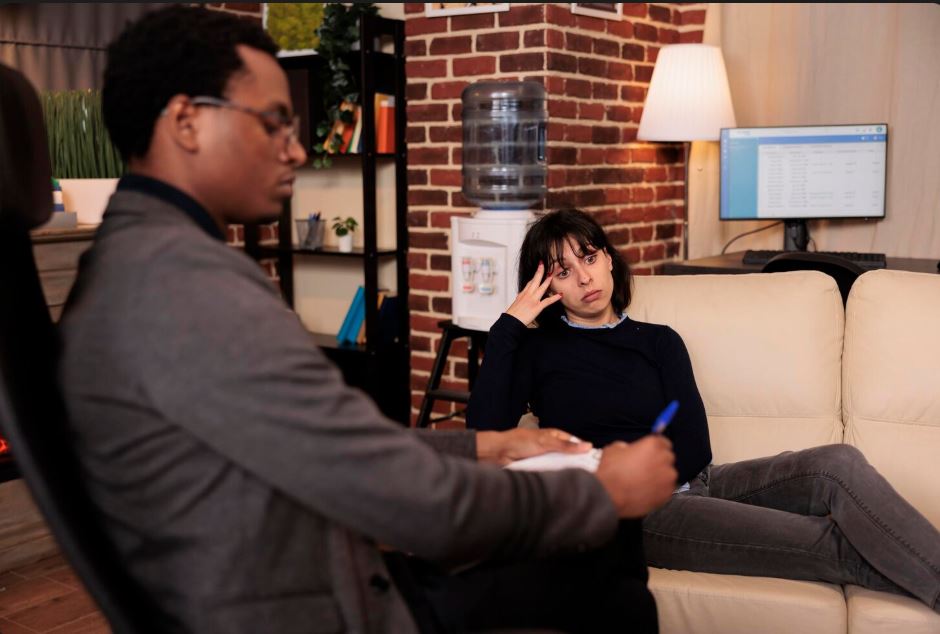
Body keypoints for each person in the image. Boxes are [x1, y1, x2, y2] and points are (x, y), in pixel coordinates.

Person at [57, 7, 679, 633]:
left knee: (601, 573)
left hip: (303, 580)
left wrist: (490, 445)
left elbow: (337, 446)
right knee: (608, 573)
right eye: (274, 122)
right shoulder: (185, 285)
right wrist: (600, 492)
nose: (296, 149)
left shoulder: (142, 261)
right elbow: (398, 494)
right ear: (186, 121)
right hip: (310, 610)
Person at [467, 207, 940, 614]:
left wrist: (681, 483)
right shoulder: (537, 353)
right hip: (637, 510)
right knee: (822, 540)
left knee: (837, 463)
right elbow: (484, 434)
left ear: (608, 259)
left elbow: (695, 443)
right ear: (545, 286)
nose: (584, 278)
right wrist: (510, 325)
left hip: (702, 479)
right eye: (563, 271)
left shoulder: (659, 341)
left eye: (589, 258)